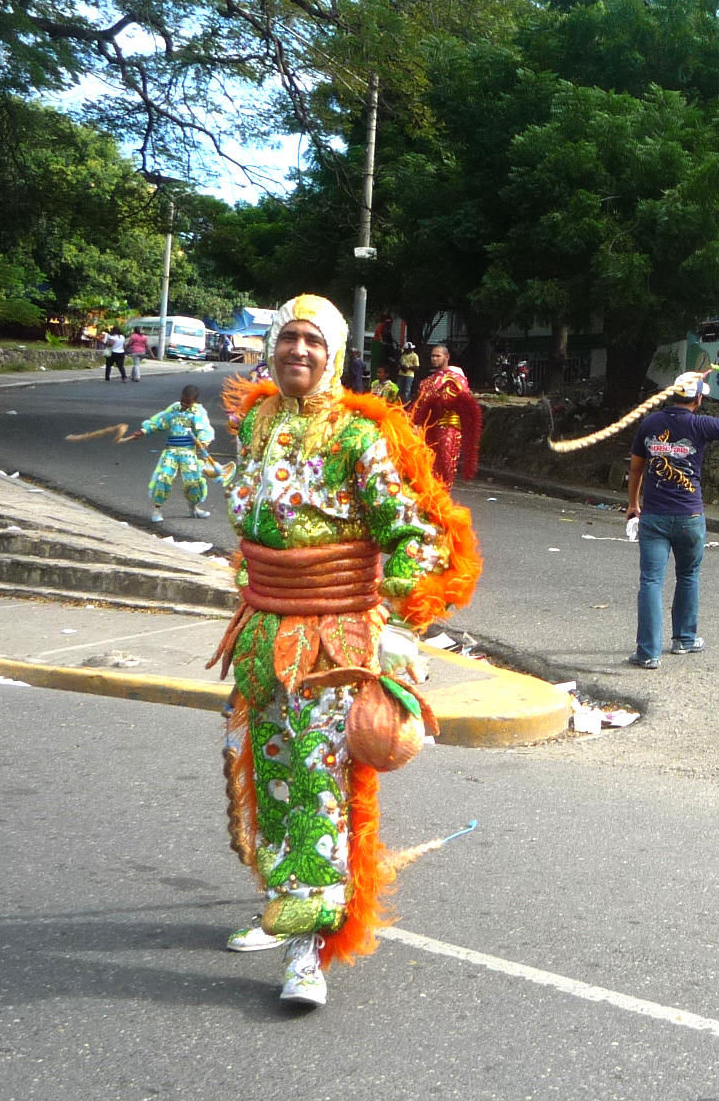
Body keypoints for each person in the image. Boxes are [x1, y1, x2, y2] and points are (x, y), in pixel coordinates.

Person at [210, 296, 479, 1008]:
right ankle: (281, 905)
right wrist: (254, 579)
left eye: (312, 341)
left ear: (334, 354)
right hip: (263, 635)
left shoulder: (358, 438)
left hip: (332, 641)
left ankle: (309, 951)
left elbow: (414, 535)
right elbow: (254, 528)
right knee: (269, 777)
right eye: (288, 338)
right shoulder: (260, 422)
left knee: (317, 790)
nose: (298, 351)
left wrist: (391, 625)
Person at [624, 366, 719, 667]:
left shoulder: (650, 423)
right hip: (689, 516)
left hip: (654, 516)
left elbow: (635, 468)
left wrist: (633, 503)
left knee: (651, 581)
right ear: (697, 401)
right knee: (688, 576)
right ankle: (684, 639)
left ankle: (647, 653)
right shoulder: (702, 425)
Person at [409, 344, 481, 487]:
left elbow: (463, 402)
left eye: (438, 356)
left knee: (445, 469)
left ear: (447, 357)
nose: (434, 359)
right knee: (427, 468)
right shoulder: (427, 382)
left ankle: (442, 502)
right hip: (428, 430)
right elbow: (418, 405)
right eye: (432, 356)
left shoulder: (456, 378)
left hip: (449, 428)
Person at [140, 384, 215, 521]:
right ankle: (157, 510)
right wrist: (144, 430)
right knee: (163, 478)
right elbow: (160, 421)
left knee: (193, 482)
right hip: (171, 451)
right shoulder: (174, 408)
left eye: (188, 402)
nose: (185, 404)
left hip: (188, 452)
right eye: (183, 400)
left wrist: (204, 442)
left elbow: (205, 429)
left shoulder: (199, 412)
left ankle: (194, 509)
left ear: (195, 401)